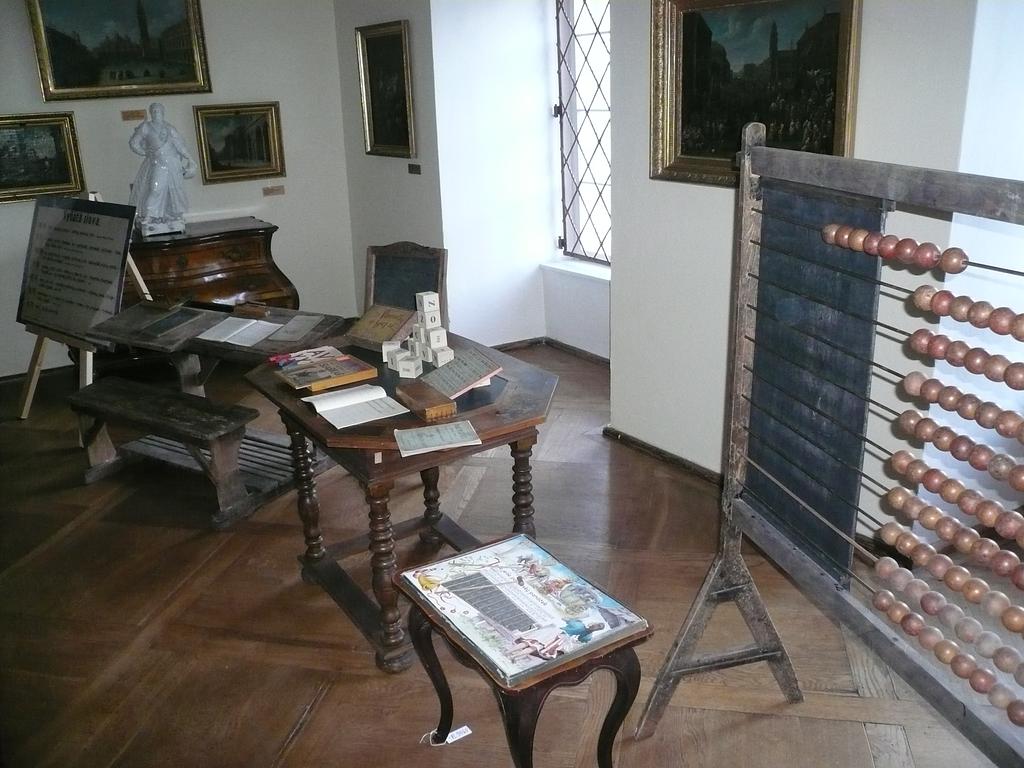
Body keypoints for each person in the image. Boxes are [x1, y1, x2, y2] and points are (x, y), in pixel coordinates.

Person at [128, 103, 197, 235]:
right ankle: (150, 215)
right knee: (155, 188)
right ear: (151, 112)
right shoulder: (146, 127)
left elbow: (179, 145)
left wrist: (190, 159)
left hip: (173, 163)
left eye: (158, 110)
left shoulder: (169, 128)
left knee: (174, 189)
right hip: (157, 162)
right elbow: (134, 143)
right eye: (154, 110)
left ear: (163, 112)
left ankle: (173, 215)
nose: (156, 112)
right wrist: (145, 152)